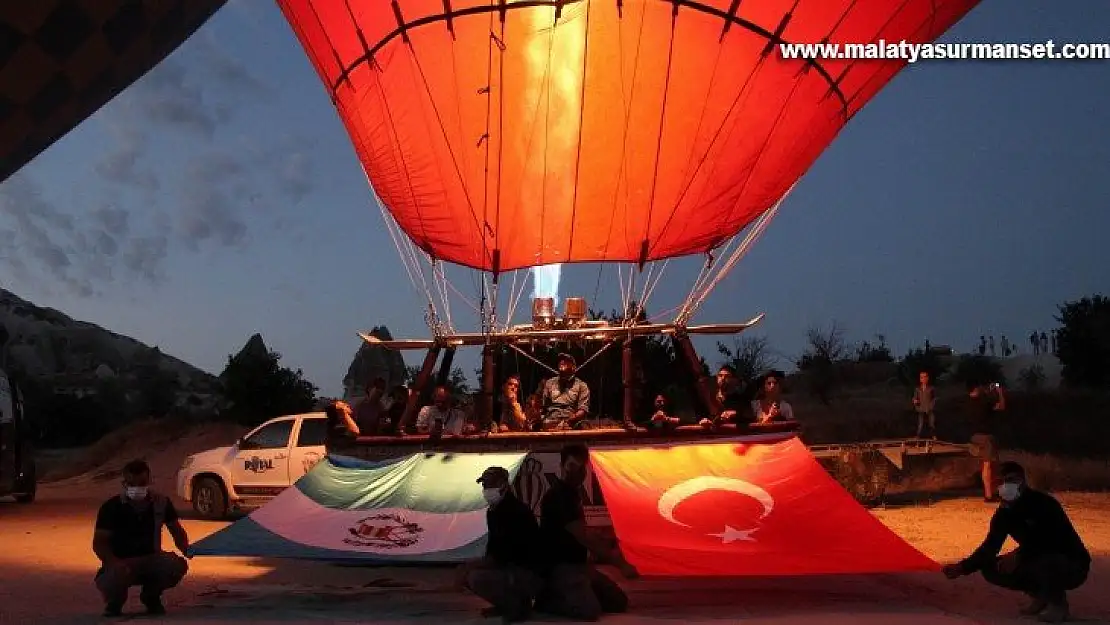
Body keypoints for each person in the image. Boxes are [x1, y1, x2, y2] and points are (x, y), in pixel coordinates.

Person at [942, 462, 1090, 623]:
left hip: (1071, 562)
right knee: (993, 568)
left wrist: (1019, 554)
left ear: (1023, 481)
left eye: (1011, 480)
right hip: (1035, 555)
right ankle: (1041, 596)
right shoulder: (1004, 513)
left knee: (1047, 561)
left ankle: (1058, 603)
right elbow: (990, 546)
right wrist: (963, 567)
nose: (1006, 485)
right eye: (1002, 481)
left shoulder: (1044, 504)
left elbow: (1051, 540)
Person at [535, 443, 637, 621]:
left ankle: (578, 590)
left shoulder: (573, 494)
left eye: (580, 467)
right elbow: (583, 536)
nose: (575, 472)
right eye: (571, 466)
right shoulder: (558, 496)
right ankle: (547, 598)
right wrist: (619, 564)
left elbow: (585, 535)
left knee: (618, 602)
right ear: (562, 466)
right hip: (560, 567)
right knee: (587, 611)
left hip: (579, 565)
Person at [93, 459, 191, 617]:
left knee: (175, 566)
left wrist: (186, 548)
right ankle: (115, 601)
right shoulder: (111, 507)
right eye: (132, 484)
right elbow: (99, 543)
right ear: (124, 484)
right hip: (122, 561)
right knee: (111, 579)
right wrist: (113, 562)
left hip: (151, 558)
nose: (137, 488)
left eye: (142, 483)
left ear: (149, 481)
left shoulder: (161, 503)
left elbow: (176, 530)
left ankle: (151, 596)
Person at [458, 466, 545, 623]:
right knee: (472, 573)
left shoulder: (515, 511)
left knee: (475, 577)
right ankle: (508, 604)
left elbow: (505, 554)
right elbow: (494, 547)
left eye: (490, 484)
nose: (486, 489)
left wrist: (471, 566)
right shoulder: (494, 511)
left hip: (528, 571)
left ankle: (517, 607)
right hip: (512, 567)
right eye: (484, 485)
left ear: (503, 485)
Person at [967, 380, 1005, 501]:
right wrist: (999, 392)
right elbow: (1001, 406)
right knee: (988, 465)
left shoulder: (968, 402)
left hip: (974, 436)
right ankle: (989, 495)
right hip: (985, 436)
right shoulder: (983, 401)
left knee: (988, 465)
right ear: (977, 388)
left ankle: (991, 492)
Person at [536, 354, 590, 430]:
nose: (562, 362)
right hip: (551, 420)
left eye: (566, 361)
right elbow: (543, 407)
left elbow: (583, 410)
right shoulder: (550, 383)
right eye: (561, 360)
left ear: (573, 367)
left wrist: (569, 421)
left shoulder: (581, 385)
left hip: (571, 422)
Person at [912, 370, 937, 439]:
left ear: (927, 378)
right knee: (920, 424)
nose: (923, 379)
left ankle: (933, 435)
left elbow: (934, 398)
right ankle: (918, 435)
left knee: (931, 423)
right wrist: (915, 401)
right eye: (921, 377)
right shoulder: (917, 389)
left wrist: (931, 406)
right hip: (921, 408)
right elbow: (915, 397)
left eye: (924, 377)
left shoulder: (931, 388)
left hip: (929, 408)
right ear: (920, 379)